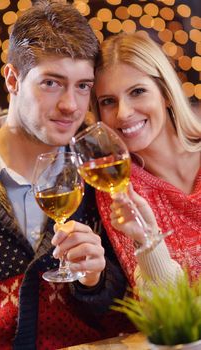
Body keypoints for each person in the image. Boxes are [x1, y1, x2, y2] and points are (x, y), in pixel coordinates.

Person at [0, 2, 128, 349]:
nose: (71, 105)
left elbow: (127, 309)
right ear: (13, 79)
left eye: (83, 86)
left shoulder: (102, 173)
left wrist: (94, 281)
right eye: (52, 83)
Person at [92, 32, 201, 289]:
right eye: (108, 101)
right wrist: (148, 239)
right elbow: (161, 310)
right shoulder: (118, 189)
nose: (124, 113)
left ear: (164, 93)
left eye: (137, 92)